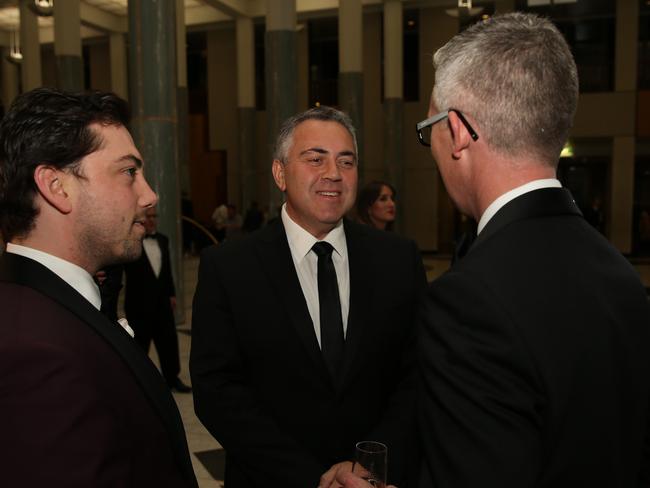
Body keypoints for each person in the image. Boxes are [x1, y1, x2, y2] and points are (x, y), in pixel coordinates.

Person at [342, 11, 650, 488]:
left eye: (430, 130)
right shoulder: (622, 277)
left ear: (460, 132)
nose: (435, 148)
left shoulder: (469, 302)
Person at [190, 106, 426, 488]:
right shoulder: (230, 266)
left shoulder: (398, 260)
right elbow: (217, 391)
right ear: (280, 173)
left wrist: (365, 466)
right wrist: (311, 478)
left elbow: (417, 375)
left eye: (345, 161)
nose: (333, 173)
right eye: (315, 158)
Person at [0, 87, 197, 487]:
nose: (149, 194)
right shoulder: (32, 353)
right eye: (128, 172)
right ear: (57, 187)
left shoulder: (53, 303)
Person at [123, 207, 192, 393]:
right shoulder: (131, 241)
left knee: (168, 342)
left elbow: (167, 270)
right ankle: (140, 381)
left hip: (162, 302)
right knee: (140, 346)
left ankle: (172, 378)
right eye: (148, 216)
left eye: (154, 216)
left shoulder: (162, 239)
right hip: (139, 304)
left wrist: (171, 293)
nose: (152, 220)